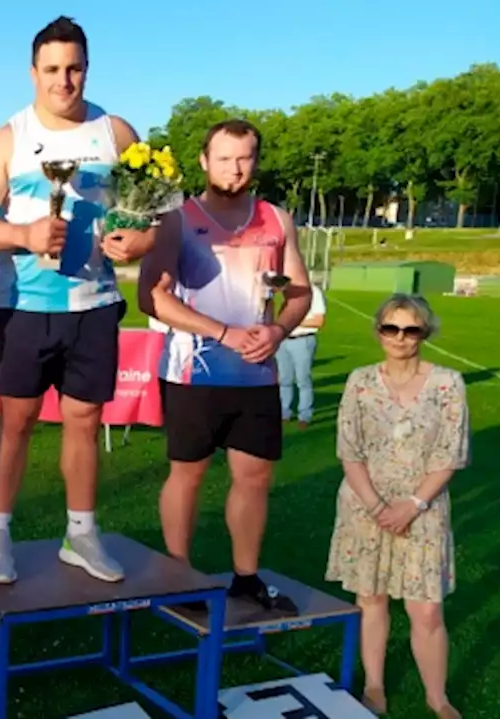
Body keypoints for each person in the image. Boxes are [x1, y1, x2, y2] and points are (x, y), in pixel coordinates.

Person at [0, 16, 159, 585]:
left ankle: (81, 533)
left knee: (84, 418)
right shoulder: (8, 138)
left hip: (94, 302)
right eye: (52, 69)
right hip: (25, 302)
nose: (63, 81)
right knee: (17, 418)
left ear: (86, 70)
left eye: (73, 68)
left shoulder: (116, 133)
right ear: (33, 73)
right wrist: (22, 236)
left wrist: (138, 240)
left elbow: (150, 213)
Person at [137, 118, 313, 615]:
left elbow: (299, 291)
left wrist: (278, 330)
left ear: (255, 161)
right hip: (195, 370)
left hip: (257, 373)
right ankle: (177, 577)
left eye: (244, 158)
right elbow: (150, 298)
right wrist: (222, 332)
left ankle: (246, 577)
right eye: (224, 158)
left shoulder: (277, 220)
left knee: (254, 477)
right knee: (188, 474)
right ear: (203, 161)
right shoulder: (175, 217)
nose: (235, 169)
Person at [325, 294, 468, 719]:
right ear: (378, 330)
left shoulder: (447, 383)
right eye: (391, 328)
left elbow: (450, 454)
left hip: (423, 508)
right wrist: (376, 507)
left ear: (425, 333)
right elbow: (349, 451)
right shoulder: (360, 381)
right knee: (371, 598)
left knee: (426, 609)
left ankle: (437, 697)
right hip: (364, 504)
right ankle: (374, 685)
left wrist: (412, 504)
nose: (400, 338)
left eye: (411, 330)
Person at [276, 283, 326, 428]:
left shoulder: (313, 291)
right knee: (284, 379)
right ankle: (284, 412)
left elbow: (319, 320)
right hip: (284, 339)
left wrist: (294, 322)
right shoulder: (287, 292)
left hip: (302, 340)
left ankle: (305, 414)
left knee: (303, 379)